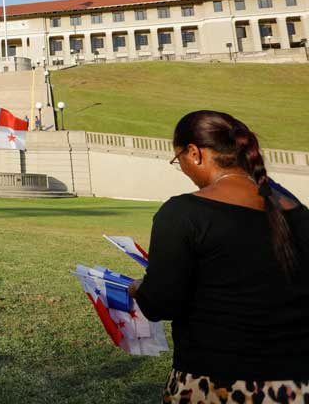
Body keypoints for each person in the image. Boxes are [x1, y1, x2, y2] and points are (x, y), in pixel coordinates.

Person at [129, 110, 309, 403]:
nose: (184, 169)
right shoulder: (297, 211)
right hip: (297, 385)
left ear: (194, 153)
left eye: (179, 161)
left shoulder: (182, 213)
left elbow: (162, 302)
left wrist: (139, 288)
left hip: (215, 383)